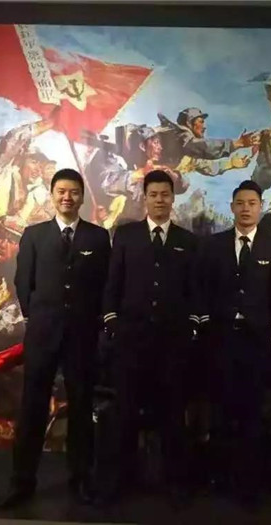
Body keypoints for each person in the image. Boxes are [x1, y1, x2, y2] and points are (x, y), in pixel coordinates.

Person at [0, 168, 111, 509]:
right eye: (61, 191)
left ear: (82, 196)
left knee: (81, 408)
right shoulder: (34, 235)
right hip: (43, 335)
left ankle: (81, 479)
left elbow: (104, 284)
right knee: (32, 407)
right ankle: (22, 482)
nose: (67, 197)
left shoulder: (98, 237)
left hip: (82, 336)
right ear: (52, 194)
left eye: (74, 192)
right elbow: (23, 282)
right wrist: (38, 316)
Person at [99, 169, 200, 505]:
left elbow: (194, 290)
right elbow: (113, 283)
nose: (159, 200)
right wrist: (113, 322)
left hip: (172, 344)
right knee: (125, 414)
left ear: (173, 198)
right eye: (154, 195)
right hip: (131, 342)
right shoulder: (126, 235)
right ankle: (118, 482)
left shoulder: (188, 241)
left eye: (165, 195)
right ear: (145, 198)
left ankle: (177, 484)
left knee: (173, 415)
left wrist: (191, 327)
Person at [197, 180, 271, 509]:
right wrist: (205, 326)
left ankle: (250, 486)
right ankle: (220, 481)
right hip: (221, 340)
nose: (246, 208)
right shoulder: (214, 245)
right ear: (232, 207)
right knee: (221, 412)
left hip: (258, 343)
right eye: (240, 203)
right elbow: (202, 289)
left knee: (254, 414)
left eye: (252, 203)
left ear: (261, 207)